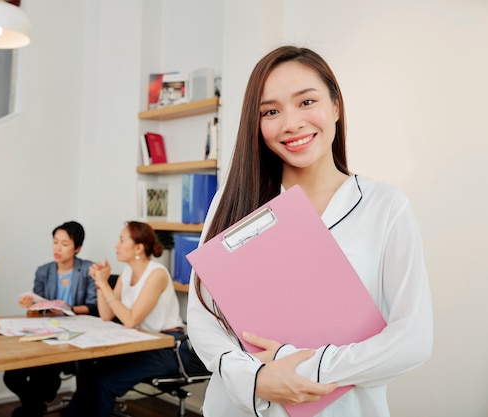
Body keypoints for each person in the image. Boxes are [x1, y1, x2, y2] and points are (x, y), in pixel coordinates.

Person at [187, 45, 433, 417]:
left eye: (306, 102)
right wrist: (255, 380)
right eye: (271, 111)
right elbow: (202, 317)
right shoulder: (234, 200)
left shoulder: (385, 206)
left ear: (335, 105)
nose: (291, 123)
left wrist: (303, 367)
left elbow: (413, 339)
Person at [64, 221, 187, 417]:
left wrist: (104, 285)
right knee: (89, 373)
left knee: (107, 383)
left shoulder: (157, 274)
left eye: (122, 240)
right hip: (142, 344)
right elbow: (106, 315)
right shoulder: (127, 272)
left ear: (138, 247)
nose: (116, 245)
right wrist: (100, 283)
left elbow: (130, 320)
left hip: (168, 349)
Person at [3, 221, 97, 417]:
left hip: (79, 335)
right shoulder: (43, 271)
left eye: (64, 244)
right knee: (12, 375)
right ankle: (36, 405)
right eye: (55, 242)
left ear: (77, 248)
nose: (57, 248)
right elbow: (38, 308)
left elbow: (93, 306)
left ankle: (33, 407)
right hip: (48, 332)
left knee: (43, 373)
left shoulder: (88, 270)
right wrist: (31, 305)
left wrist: (67, 309)